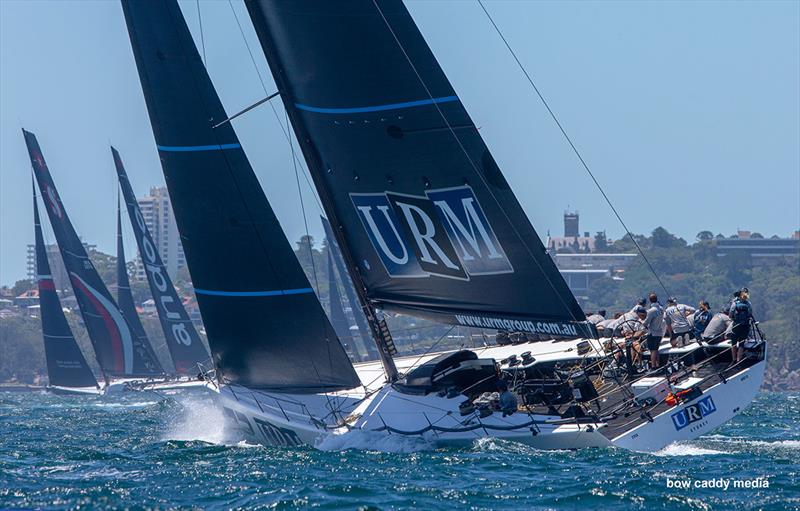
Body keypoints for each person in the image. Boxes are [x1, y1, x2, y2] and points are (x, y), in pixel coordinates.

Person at [728, 288, 753, 362]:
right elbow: (750, 314)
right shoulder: (748, 304)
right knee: (741, 344)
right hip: (745, 326)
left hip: (736, 326)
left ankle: (734, 359)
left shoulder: (735, 303)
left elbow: (730, 315)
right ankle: (739, 360)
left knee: (734, 343)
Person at [642, 293, 666, 369]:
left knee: (652, 350)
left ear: (650, 300)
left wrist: (643, 324)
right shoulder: (661, 309)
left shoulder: (651, 311)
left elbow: (646, 322)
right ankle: (658, 364)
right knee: (656, 349)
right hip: (659, 332)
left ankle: (653, 366)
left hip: (652, 333)